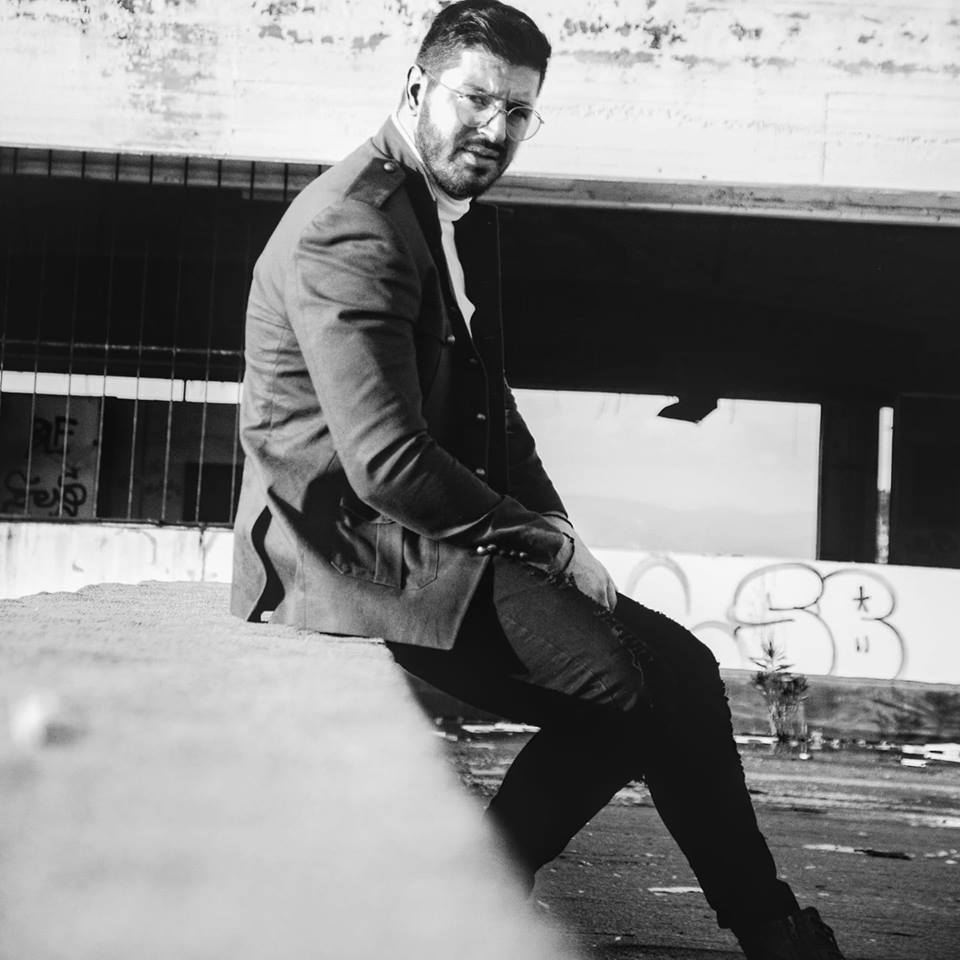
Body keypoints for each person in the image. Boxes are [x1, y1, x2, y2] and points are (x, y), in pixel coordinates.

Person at [231, 3, 845, 957]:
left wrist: (557, 525)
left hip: (421, 540)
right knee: (636, 691)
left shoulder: (428, 215)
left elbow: (489, 406)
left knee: (677, 671)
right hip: (350, 554)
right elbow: (387, 463)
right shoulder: (352, 226)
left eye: (519, 111)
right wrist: (543, 546)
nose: (496, 128)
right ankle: (495, 897)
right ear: (415, 89)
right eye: (476, 99)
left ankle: (759, 923)